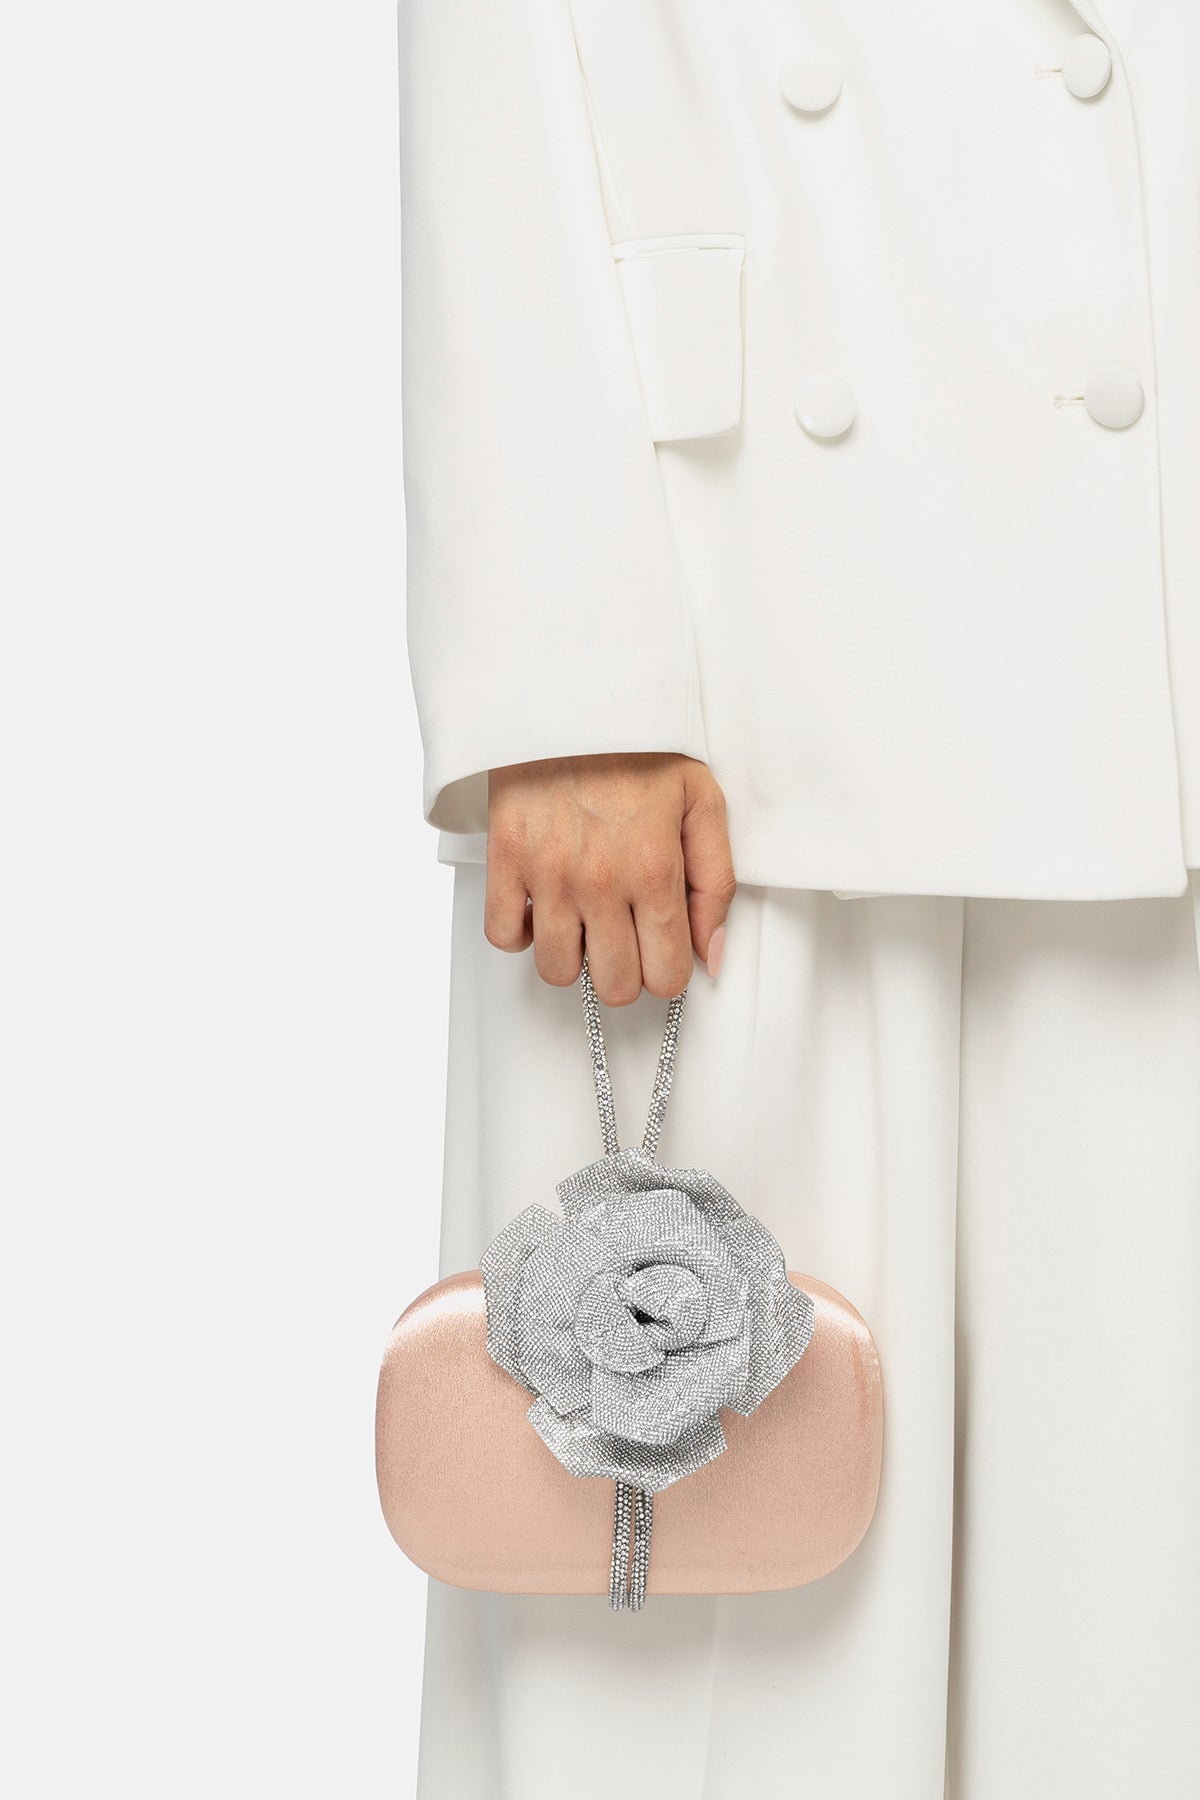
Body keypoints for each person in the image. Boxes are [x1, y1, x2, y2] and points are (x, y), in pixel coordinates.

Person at [395, 1, 1200, 1795]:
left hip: (1156, 660)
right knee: (708, 1664)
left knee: (1136, 1611)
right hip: (739, 678)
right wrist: (562, 669)